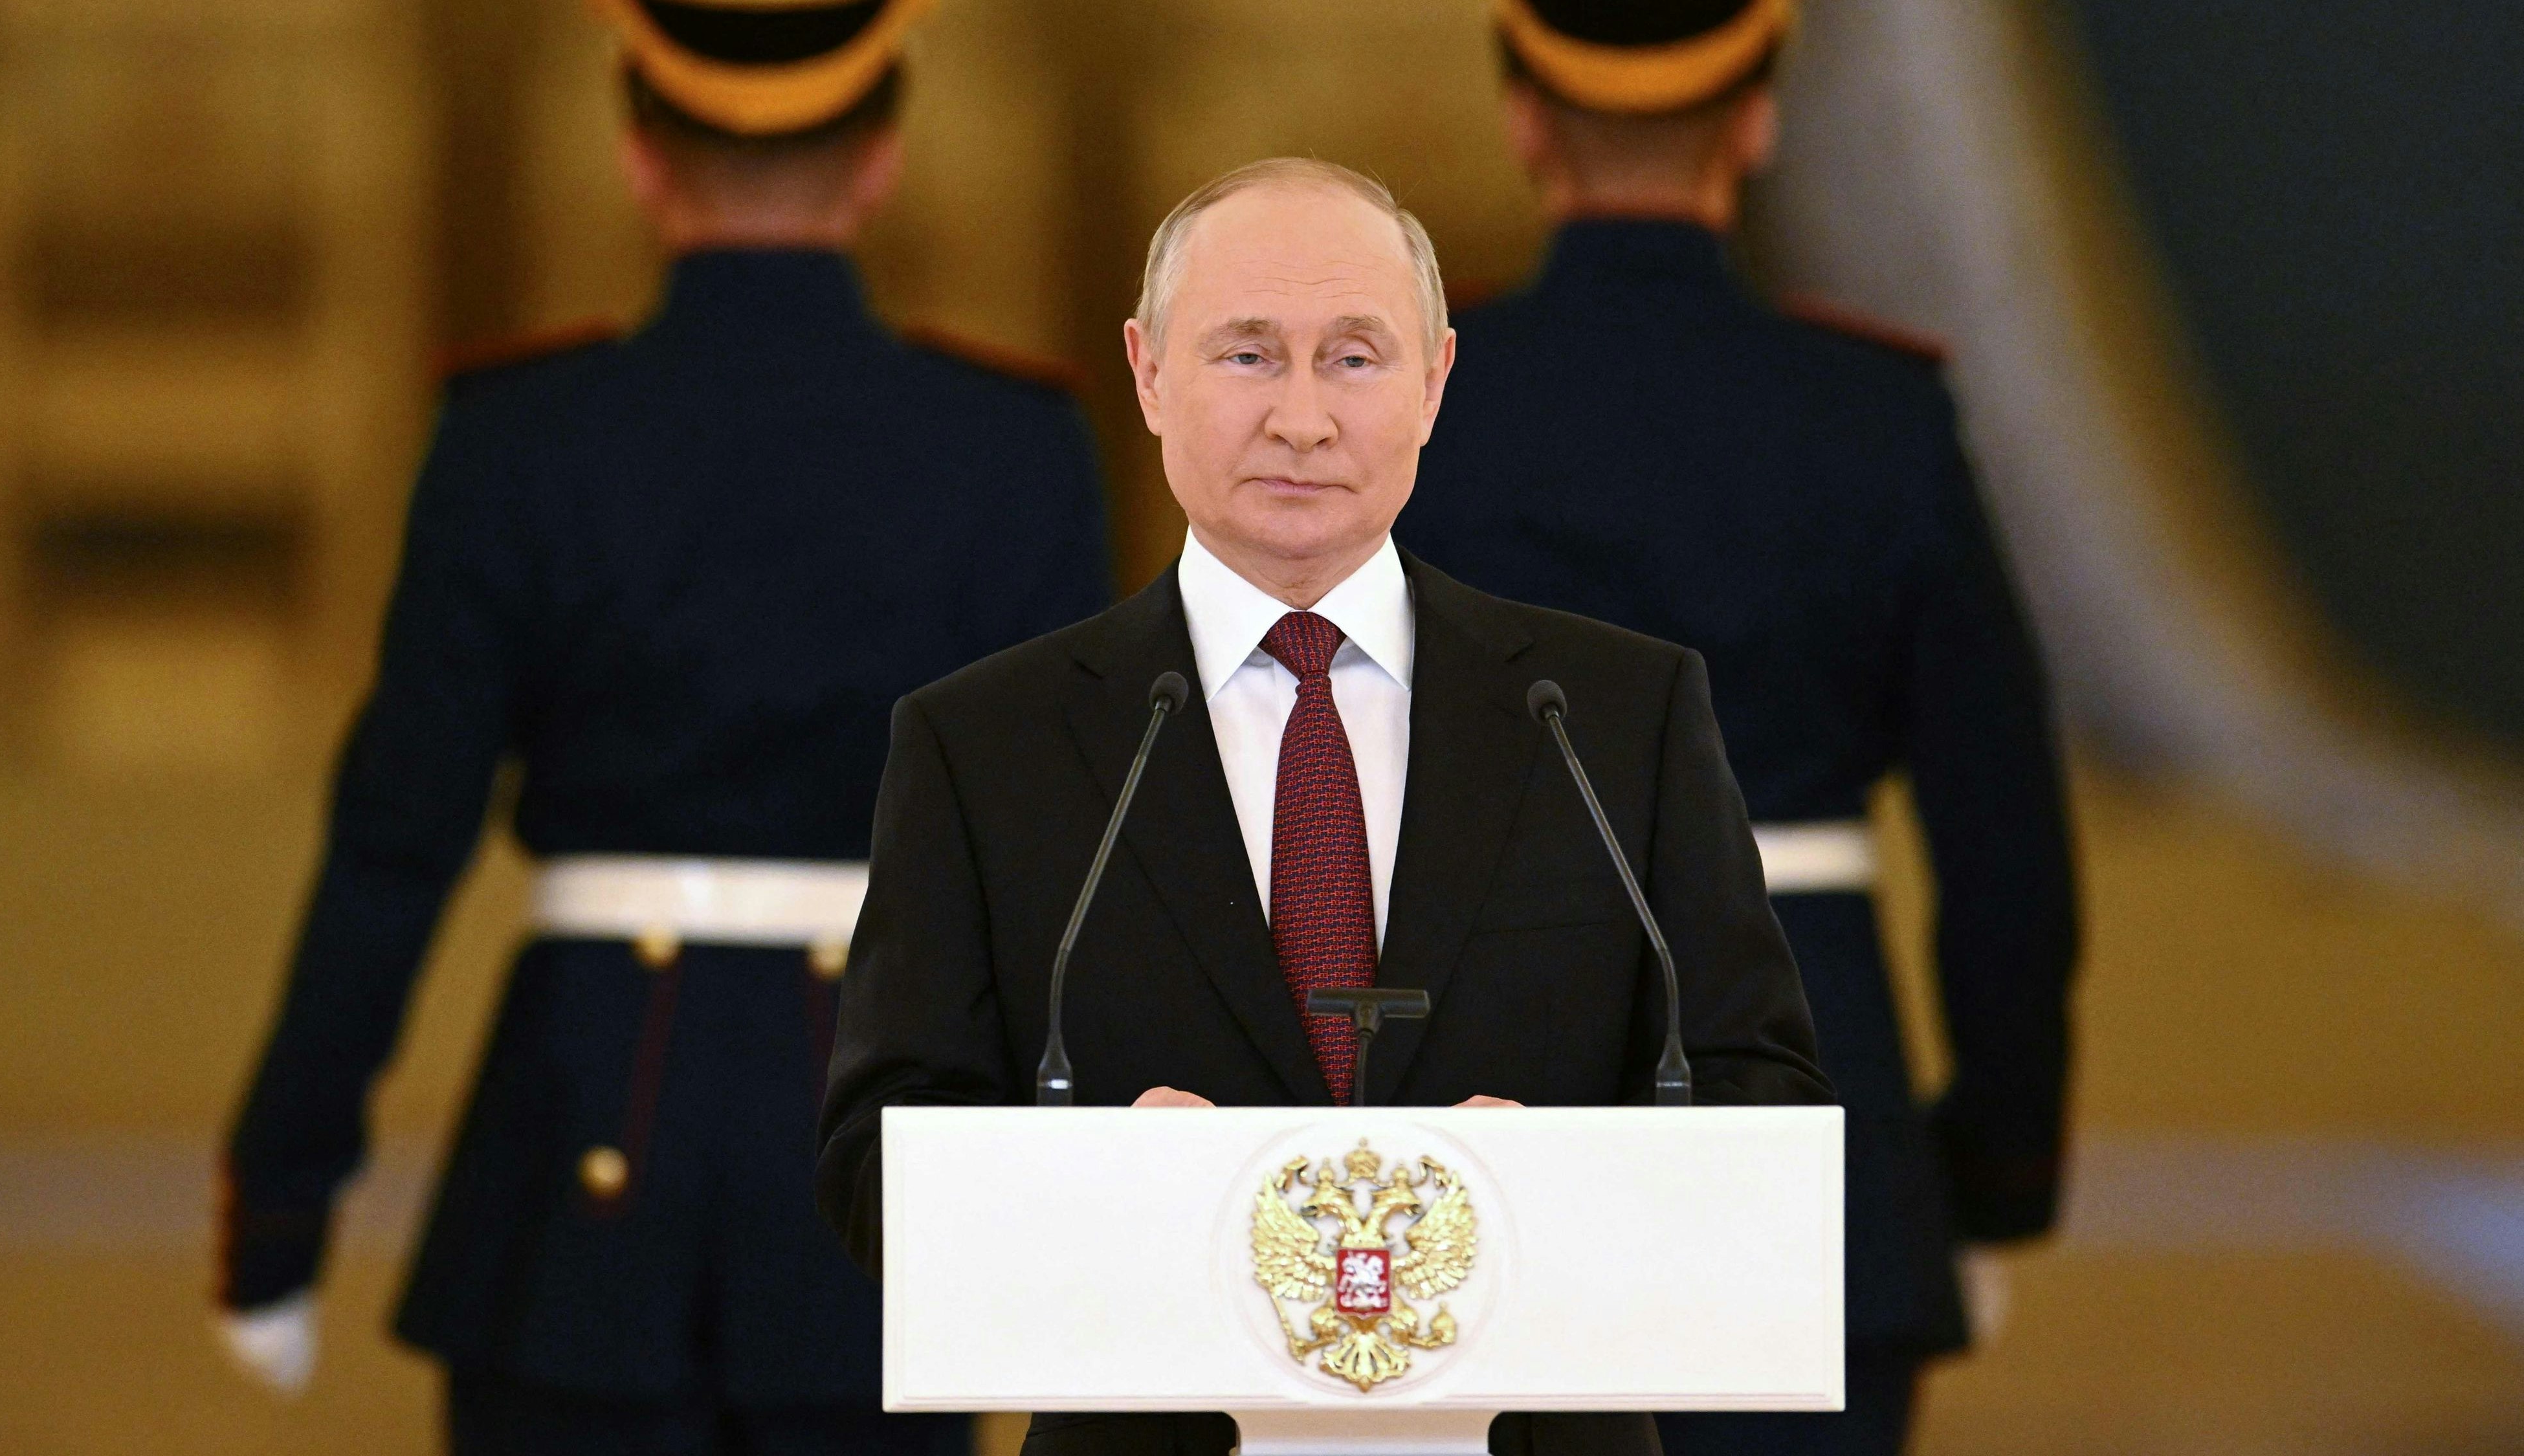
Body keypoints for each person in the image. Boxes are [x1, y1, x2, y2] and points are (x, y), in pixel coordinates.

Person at [815, 157, 1834, 1456]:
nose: (1300, 418)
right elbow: (870, 1168)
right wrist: (1091, 1187)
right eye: (1246, 356)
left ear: (1434, 381)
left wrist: (1557, 1187)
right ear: (1144, 371)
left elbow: (1764, 1107)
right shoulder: (986, 744)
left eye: (1352, 358)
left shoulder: (1609, 717)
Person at [214, 1, 1109, 1450]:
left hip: (578, 1142)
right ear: (879, 157)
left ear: (637, 155)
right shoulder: (1009, 452)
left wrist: (283, 1191)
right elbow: (1083, 871)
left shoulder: (520, 437)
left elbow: (398, 841)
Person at [1393, 3, 2082, 1452]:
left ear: (1524, 118)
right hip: (1818, 1135)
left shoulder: (1410, 413)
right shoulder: (1875, 416)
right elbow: (2004, 848)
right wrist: (1989, 1166)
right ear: (1755, 120)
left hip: (1477, 1138)